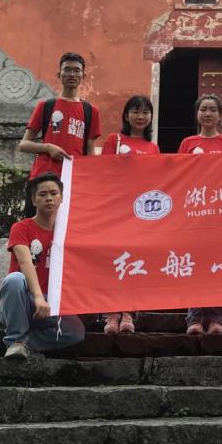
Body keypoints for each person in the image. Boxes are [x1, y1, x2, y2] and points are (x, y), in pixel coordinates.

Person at [0, 172, 85, 360]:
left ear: (61, 198)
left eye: (54, 193)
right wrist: (37, 297)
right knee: (14, 279)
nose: (49, 198)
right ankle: (15, 340)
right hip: (22, 301)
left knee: (75, 331)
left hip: (50, 305)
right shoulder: (21, 227)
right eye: (43, 194)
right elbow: (25, 262)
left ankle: (25, 344)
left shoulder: (68, 233)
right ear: (33, 200)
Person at [100, 95, 160, 333]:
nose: (141, 116)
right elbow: (101, 172)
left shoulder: (153, 148)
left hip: (141, 214)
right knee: (114, 261)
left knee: (135, 262)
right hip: (116, 210)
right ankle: (110, 313)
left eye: (146, 112)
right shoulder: (113, 140)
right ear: (126, 115)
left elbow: (157, 182)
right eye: (136, 111)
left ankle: (128, 312)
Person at [179, 94, 222, 334]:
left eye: (213, 109)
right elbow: (178, 174)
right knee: (196, 263)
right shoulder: (188, 143)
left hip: (221, 211)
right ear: (197, 114)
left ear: (220, 115)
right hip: (195, 211)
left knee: (220, 264)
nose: (207, 114)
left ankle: (217, 318)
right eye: (203, 109)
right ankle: (194, 317)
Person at [19, 52, 101, 215]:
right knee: (36, 225)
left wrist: (90, 180)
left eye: (76, 70)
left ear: (83, 76)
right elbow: (24, 144)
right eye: (67, 70)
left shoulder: (91, 111)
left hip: (73, 180)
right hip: (43, 179)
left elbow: (90, 152)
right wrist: (48, 147)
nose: (72, 74)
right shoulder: (46, 106)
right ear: (59, 74)